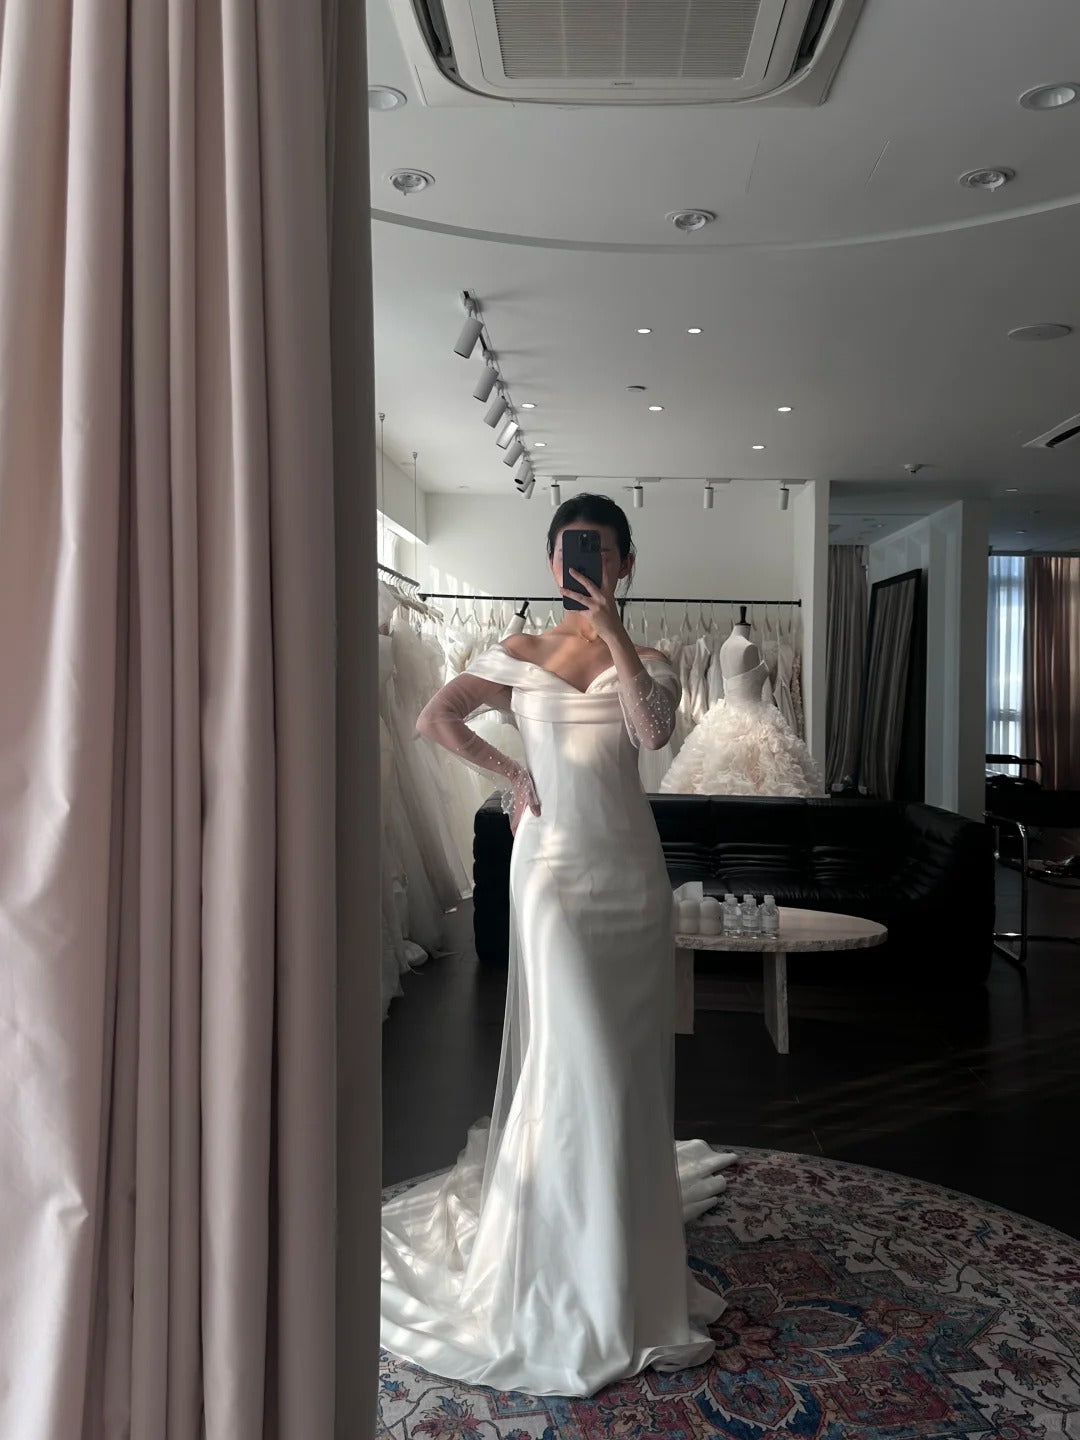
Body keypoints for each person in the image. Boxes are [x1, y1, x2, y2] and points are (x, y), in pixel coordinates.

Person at [379, 494, 736, 1397]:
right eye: (577, 551)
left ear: (626, 564)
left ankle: (621, 1259)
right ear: (553, 563)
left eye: (605, 552)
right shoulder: (521, 653)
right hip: (550, 875)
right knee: (575, 1054)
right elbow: (434, 719)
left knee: (623, 1063)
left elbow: (653, 733)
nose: (590, 563)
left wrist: (614, 634)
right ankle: (558, 1260)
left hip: (630, 879)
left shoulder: (651, 660)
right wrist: (512, 775)